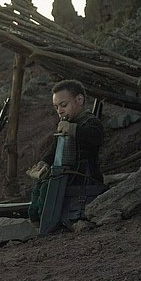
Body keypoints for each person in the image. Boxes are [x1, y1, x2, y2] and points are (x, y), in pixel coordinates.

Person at [26, 79, 105, 222]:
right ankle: (36, 222)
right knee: (38, 188)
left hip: (83, 177)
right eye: (56, 107)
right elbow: (54, 149)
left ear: (79, 100)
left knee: (47, 190)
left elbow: (96, 137)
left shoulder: (91, 122)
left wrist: (73, 129)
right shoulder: (66, 124)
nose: (59, 110)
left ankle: (48, 224)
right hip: (66, 176)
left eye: (63, 105)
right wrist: (44, 163)